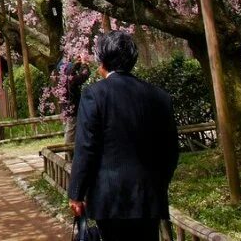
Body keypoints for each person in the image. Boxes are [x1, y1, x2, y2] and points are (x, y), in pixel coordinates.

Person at [68, 31, 180, 241]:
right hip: (148, 197)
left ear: (102, 61)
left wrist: (76, 193)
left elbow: (86, 147)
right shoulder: (159, 96)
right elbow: (171, 150)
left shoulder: (94, 94)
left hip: (110, 199)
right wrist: (157, 183)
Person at [60, 59, 91, 145]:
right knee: (70, 131)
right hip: (71, 110)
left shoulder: (63, 80)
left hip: (66, 109)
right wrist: (84, 64)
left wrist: (78, 63)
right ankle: (68, 153)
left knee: (69, 130)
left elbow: (72, 71)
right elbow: (84, 75)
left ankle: (70, 153)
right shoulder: (71, 80)